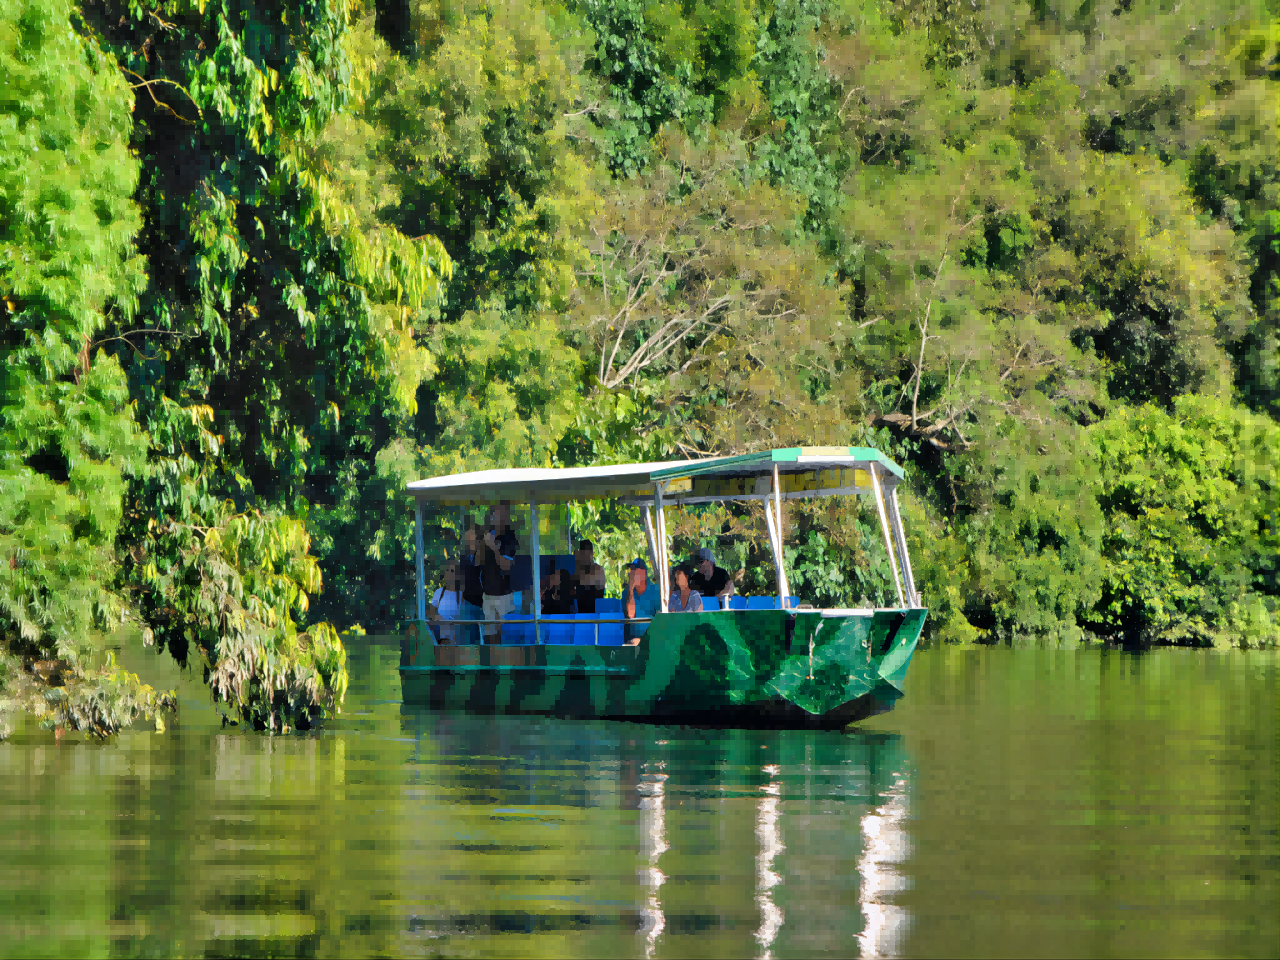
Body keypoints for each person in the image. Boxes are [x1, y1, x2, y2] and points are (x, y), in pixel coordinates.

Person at [479, 502, 518, 643]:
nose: (494, 515)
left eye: (498, 512)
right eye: (494, 512)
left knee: (505, 637)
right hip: (487, 595)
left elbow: (506, 566)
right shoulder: (488, 535)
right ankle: (491, 664)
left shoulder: (510, 538)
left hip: (504, 596)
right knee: (490, 638)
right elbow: (478, 561)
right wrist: (483, 545)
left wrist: (493, 547)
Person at [623, 557, 661, 645]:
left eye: (634, 570)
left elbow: (660, 618)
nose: (632, 573)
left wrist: (647, 638)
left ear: (644, 573)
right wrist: (631, 589)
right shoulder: (627, 592)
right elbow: (630, 614)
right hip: (632, 639)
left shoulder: (655, 590)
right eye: (631, 570)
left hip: (652, 638)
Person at [458, 525, 485, 644]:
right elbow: (462, 580)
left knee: (482, 637)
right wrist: (462, 599)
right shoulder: (464, 557)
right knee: (467, 637)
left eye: (470, 534)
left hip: (483, 603)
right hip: (468, 602)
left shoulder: (484, 555)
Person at [428, 562, 462, 644]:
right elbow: (431, 612)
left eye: (452, 571)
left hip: (456, 633)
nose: (449, 573)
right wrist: (439, 618)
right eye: (447, 570)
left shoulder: (462, 594)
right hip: (440, 632)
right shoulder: (438, 592)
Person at [572, 539, 606, 614]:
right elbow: (570, 584)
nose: (584, 558)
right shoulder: (578, 570)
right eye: (582, 554)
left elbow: (584, 580)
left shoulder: (598, 569)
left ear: (591, 554)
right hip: (581, 614)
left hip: (596, 614)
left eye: (586, 555)